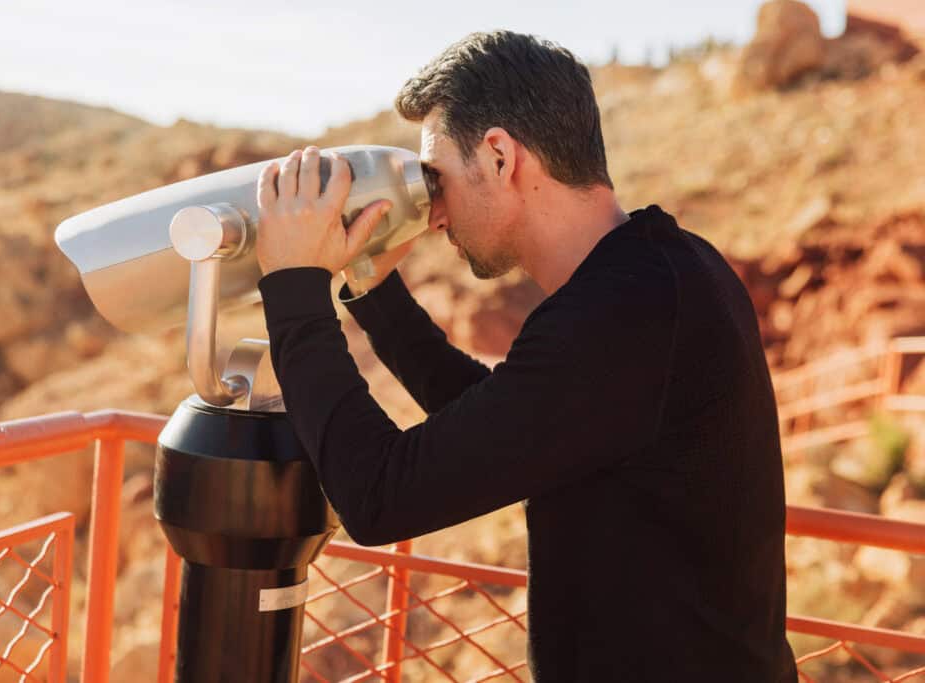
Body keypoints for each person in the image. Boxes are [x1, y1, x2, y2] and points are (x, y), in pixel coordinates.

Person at [254, 30, 797, 682]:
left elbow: (378, 494)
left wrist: (293, 289)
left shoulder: (619, 317)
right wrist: (371, 288)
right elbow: (505, 424)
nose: (435, 214)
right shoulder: (666, 274)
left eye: (438, 179)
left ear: (501, 155)